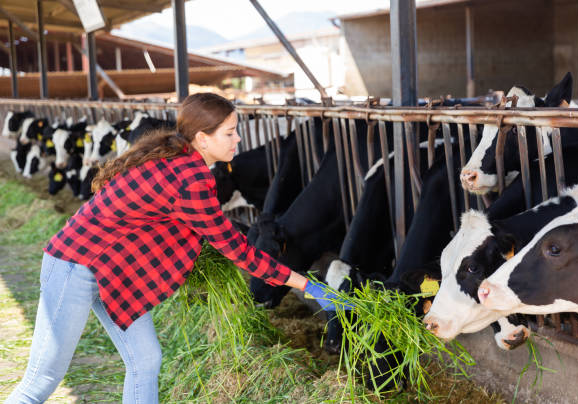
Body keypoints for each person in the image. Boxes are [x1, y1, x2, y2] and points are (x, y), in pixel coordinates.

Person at [6, 93, 351, 404]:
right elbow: (236, 249)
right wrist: (306, 284)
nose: (238, 139)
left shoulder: (176, 156)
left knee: (145, 361)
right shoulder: (192, 176)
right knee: (43, 379)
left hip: (114, 271)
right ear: (203, 138)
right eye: (230, 133)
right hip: (75, 264)